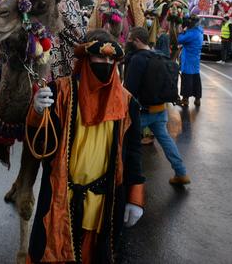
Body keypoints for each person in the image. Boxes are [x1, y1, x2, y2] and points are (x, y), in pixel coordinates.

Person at [27, 30, 145, 263]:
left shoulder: (127, 101)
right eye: (101, 57)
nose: (107, 63)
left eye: (112, 59)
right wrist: (37, 114)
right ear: (86, 58)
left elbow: (132, 153)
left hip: (102, 202)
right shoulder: (60, 92)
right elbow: (44, 146)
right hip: (61, 199)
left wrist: (135, 197)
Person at [125, 27, 190, 186]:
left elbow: (129, 90)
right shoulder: (159, 55)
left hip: (141, 112)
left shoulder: (138, 59)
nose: (127, 42)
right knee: (166, 140)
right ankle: (181, 173)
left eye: (130, 39)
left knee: (127, 142)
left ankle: (128, 179)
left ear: (138, 41)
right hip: (160, 109)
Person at [177, 15, 203, 107]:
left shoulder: (191, 33)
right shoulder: (199, 30)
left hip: (188, 59)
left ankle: (185, 99)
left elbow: (179, 40)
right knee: (196, 79)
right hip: (195, 59)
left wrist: (180, 32)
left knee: (186, 79)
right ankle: (197, 99)